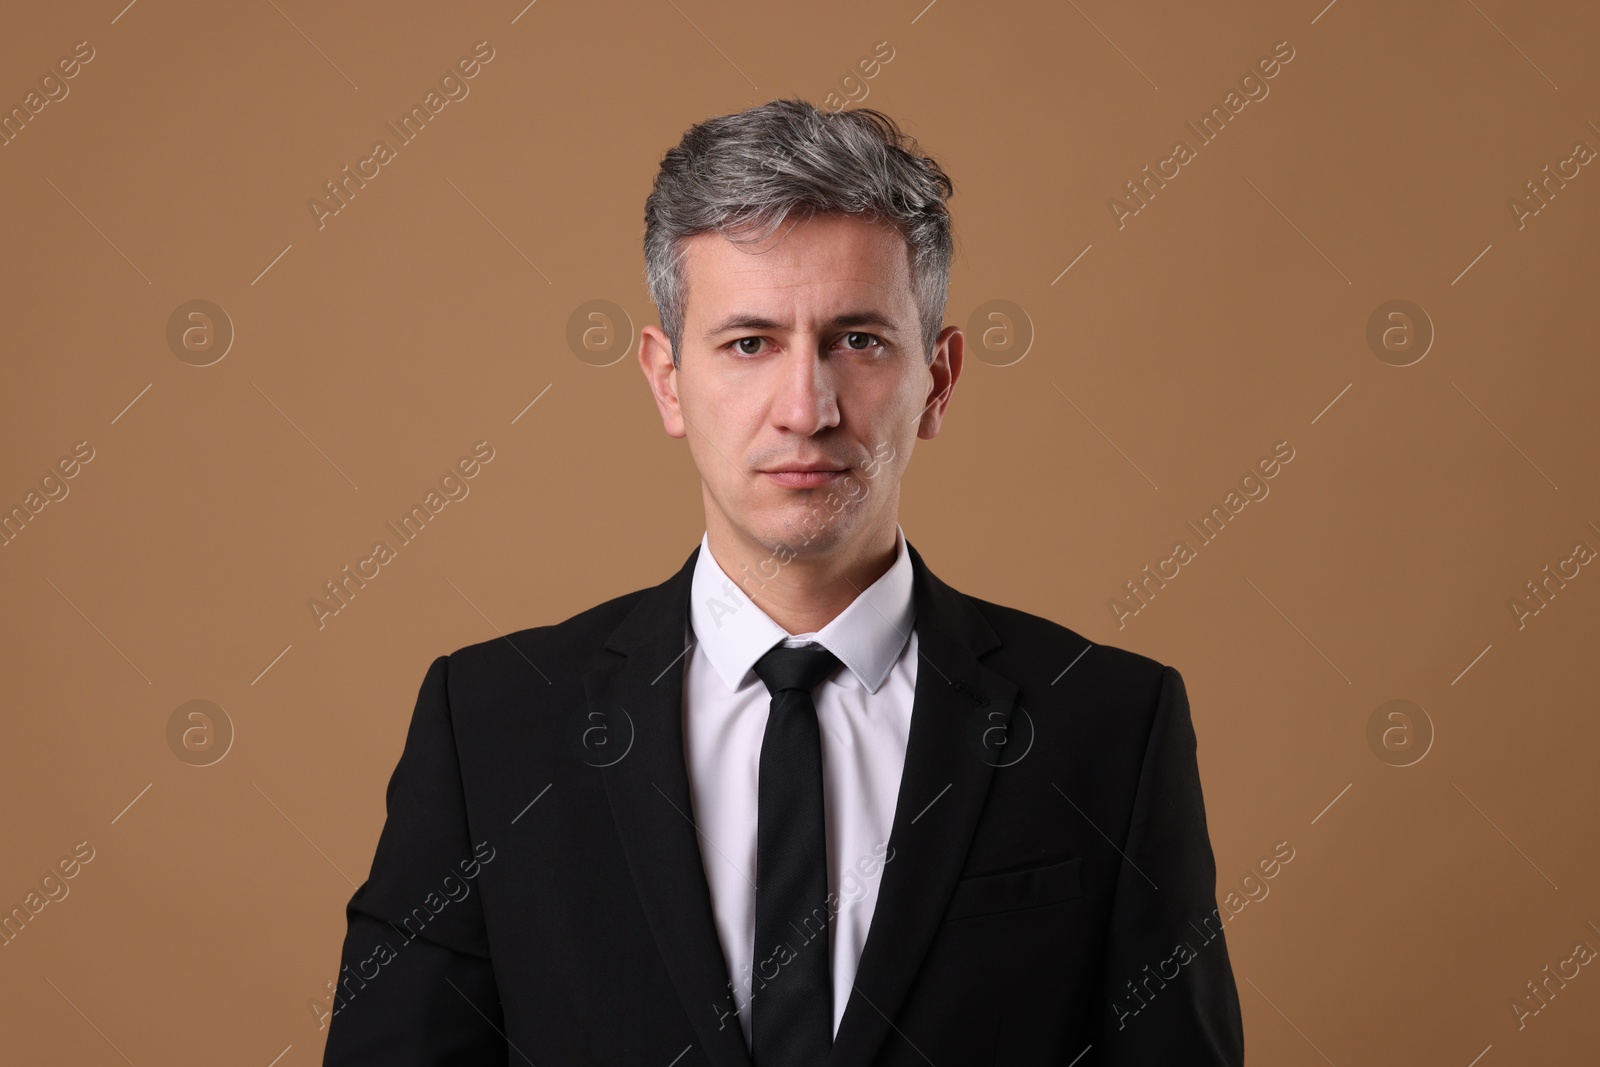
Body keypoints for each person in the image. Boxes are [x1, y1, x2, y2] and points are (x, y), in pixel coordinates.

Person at [321, 98, 1244, 1066]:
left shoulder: (1109, 722)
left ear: (938, 377)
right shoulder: (491, 723)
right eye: (749, 343)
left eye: (858, 340)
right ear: (667, 379)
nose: (805, 409)